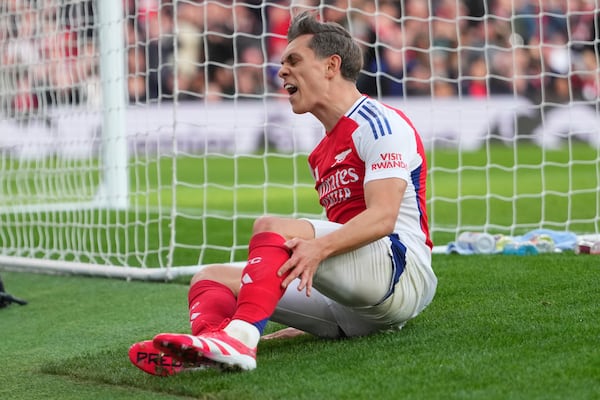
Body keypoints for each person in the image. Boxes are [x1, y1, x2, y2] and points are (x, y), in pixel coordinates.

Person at [128, 10, 437, 376]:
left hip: (399, 277)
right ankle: (211, 346)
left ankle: (240, 337)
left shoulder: (378, 124)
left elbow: (383, 218)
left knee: (273, 227)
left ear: (330, 66)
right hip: (355, 308)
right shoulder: (322, 151)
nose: (282, 72)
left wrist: (319, 249)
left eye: (293, 61)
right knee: (208, 277)